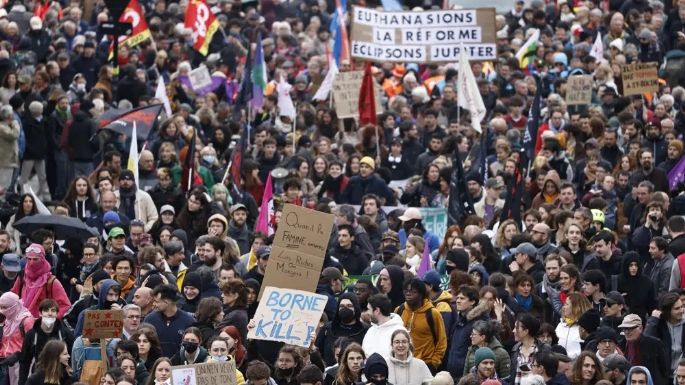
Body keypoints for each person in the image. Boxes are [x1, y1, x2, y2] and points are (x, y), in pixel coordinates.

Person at [18, 299, 75, 385]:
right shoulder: (31, 335)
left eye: (53, 310)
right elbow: (24, 361)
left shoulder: (65, 333)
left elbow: (72, 355)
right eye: (46, 310)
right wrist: (21, 382)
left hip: (61, 375)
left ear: (57, 314)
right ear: (40, 313)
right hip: (39, 376)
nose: (50, 313)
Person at [11, 244, 70, 319]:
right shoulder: (22, 277)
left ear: (42, 259)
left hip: (42, 327)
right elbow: (12, 298)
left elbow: (65, 305)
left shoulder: (51, 281)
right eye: (29, 259)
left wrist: (49, 320)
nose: (31, 262)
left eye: (35, 259)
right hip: (21, 324)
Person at [316, 293, 369, 366]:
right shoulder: (328, 328)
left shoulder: (365, 330)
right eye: (342, 306)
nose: (345, 309)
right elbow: (318, 352)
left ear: (355, 308)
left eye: (349, 306)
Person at [143, 284, 195, 358]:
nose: (154, 304)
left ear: (166, 302)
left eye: (156, 301)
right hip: (155, 366)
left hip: (179, 366)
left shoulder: (189, 321)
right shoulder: (149, 319)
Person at [644, 292, 685, 383]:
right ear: (668, 311)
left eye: (682, 306)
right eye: (677, 308)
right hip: (663, 376)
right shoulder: (659, 324)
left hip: (681, 375)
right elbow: (646, 340)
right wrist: (653, 320)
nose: (682, 310)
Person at [445, 285, 485, 378]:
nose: (458, 301)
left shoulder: (478, 324)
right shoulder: (458, 320)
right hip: (453, 373)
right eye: (457, 298)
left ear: (472, 301)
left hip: (467, 376)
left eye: (462, 298)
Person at [618, 314, 668, 385]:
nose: (627, 332)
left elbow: (664, 369)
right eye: (625, 329)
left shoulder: (654, 343)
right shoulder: (621, 345)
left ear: (641, 328)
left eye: (631, 328)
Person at [0, 292, 34, 385]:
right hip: (6, 362)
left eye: (5, 307)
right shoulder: (8, 319)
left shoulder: (26, 320)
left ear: (14, 305)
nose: (2, 310)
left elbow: (32, 345)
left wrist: (18, 355)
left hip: (20, 363)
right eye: (1, 307)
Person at [362, 294, 407, 358]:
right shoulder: (370, 331)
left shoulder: (400, 331)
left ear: (377, 310)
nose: (367, 313)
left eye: (368, 309)